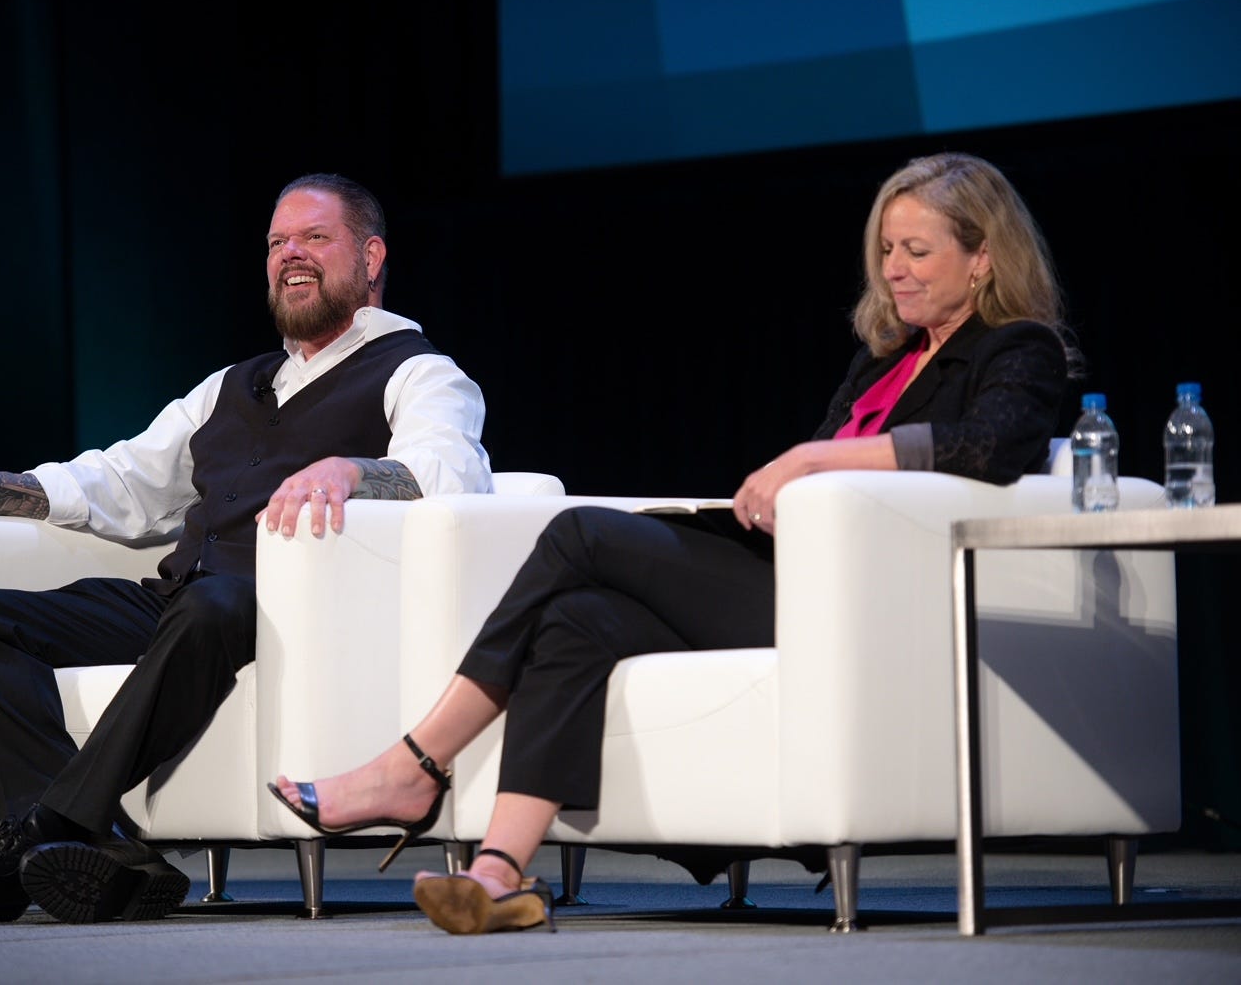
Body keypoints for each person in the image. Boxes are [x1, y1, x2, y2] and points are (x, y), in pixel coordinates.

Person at [269, 152, 1080, 935]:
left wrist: (810, 456)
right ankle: (498, 874)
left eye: (918, 250)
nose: (895, 268)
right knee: (577, 620)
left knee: (578, 533)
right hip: (789, 571)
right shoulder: (885, 361)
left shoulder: (1018, 349)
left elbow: (991, 447)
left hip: (864, 602)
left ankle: (413, 766)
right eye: (886, 250)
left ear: (980, 260)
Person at [0, 172, 494, 927]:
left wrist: (355, 470)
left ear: (371, 255)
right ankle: (103, 848)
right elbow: (124, 480)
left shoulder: (420, 372)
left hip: (301, 612)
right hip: (185, 599)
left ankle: (20, 851)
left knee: (216, 604)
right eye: (278, 242)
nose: (291, 255)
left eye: (315, 238)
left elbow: (451, 477)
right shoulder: (231, 385)